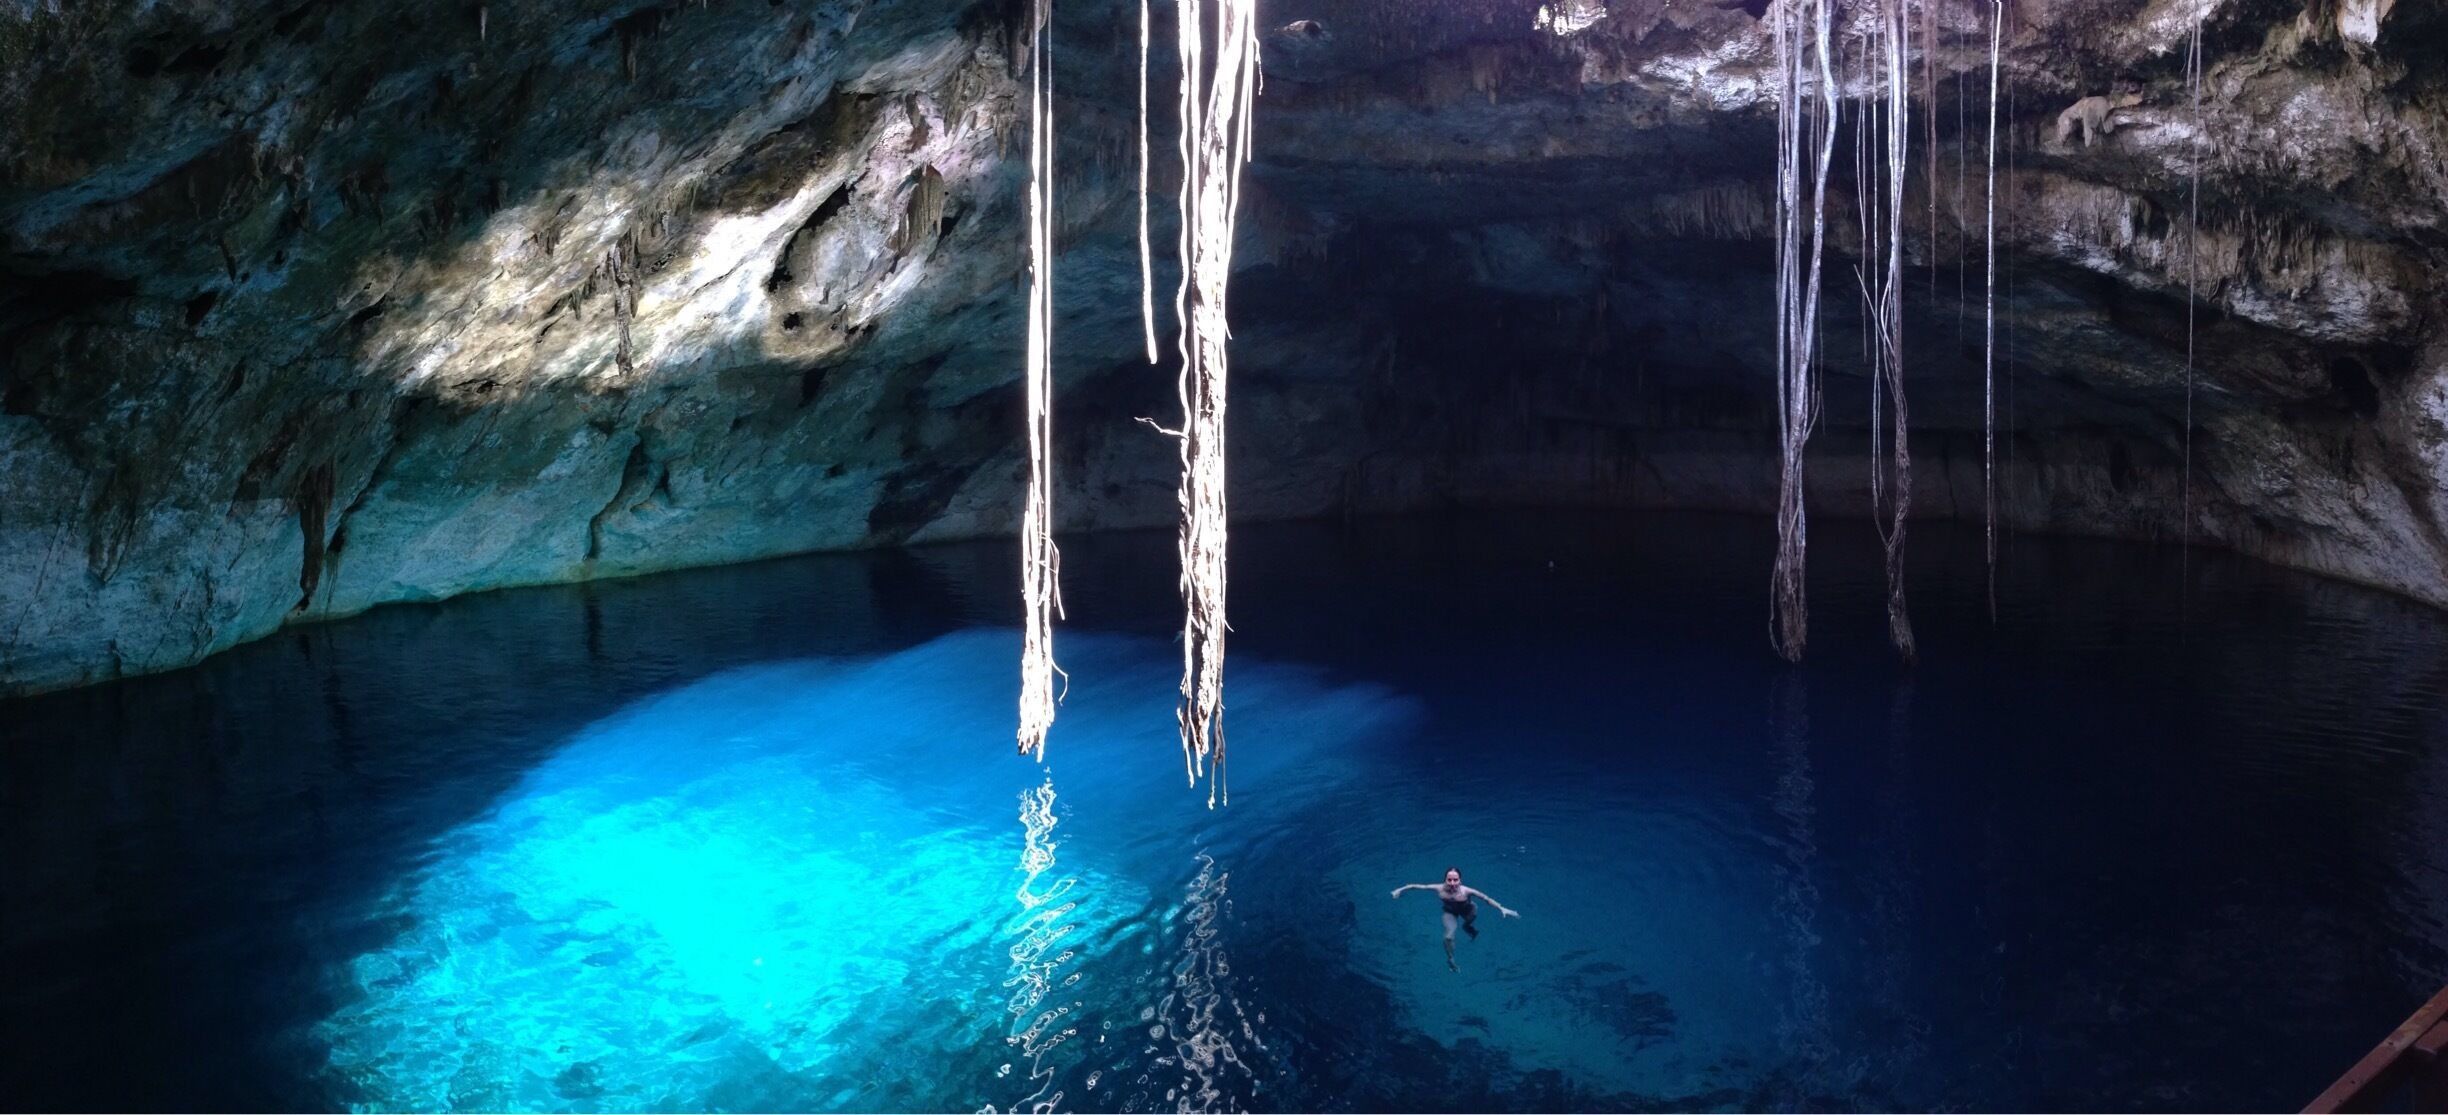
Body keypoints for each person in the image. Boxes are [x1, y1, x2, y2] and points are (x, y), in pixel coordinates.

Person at [1391, 867, 1518, 971]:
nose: (1452, 883)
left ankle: (1468, 928)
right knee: (1448, 937)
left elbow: (1486, 899)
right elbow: (1419, 886)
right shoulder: (1439, 888)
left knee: (1466, 926)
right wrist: (1400, 889)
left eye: (1455, 880)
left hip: (1468, 911)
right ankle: (1451, 959)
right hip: (1450, 912)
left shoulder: (1466, 891)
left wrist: (1501, 908)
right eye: (1449, 880)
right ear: (1445, 880)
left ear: (1460, 880)